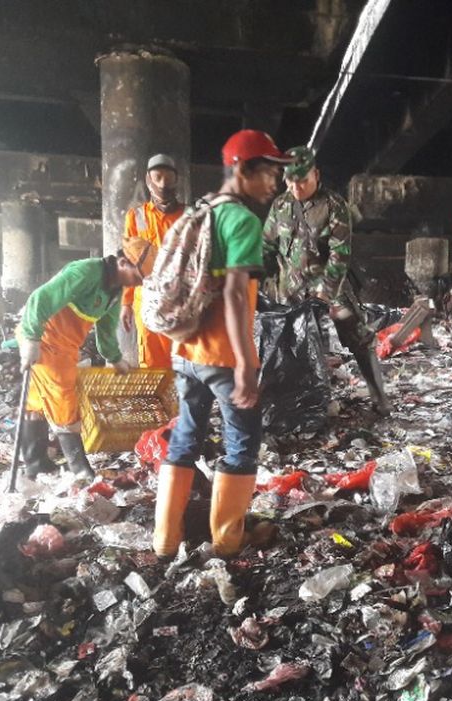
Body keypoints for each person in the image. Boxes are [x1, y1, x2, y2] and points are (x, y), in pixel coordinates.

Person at [152, 130, 291, 559]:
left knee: (185, 438)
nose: (275, 183)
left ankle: (165, 541)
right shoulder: (244, 220)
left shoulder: (203, 209)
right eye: (269, 172)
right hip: (220, 355)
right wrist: (247, 364)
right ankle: (228, 541)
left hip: (185, 351)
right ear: (243, 169)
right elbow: (235, 294)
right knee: (243, 443)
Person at [262, 146, 391, 414]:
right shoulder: (281, 205)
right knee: (296, 347)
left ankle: (380, 399)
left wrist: (324, 293)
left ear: (316, 175)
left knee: (358, 336)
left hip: (330, 289)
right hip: (291, 291)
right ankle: (309, 405)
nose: (296, 187)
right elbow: (268, 247)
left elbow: (339, 254)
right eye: (291, 181)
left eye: (303, 180)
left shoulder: (334, 206)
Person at [17, 239, 153, 480]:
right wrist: (31, 338)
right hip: (45, 340)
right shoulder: (86, 271)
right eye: (138, 274)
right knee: (63, 398)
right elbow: (41, 298)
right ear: (122, 262)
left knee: (37, 401)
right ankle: (78, 467)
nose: (140, 281)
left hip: (66, 347)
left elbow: (107, 328)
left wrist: (115, 358)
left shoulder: (115, 290)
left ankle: (36, 463)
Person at [121, 154, 186, 369]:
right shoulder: (135, 217)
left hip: (181, 300)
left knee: (184, 362)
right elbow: (129, 262)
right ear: (148, 180)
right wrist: (126, 302)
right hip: (147, 301)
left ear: (176, 181)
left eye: (168, 178)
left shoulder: (190, 216)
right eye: (157, 177)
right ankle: (160, 403)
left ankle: (180, 403)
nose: (163, 183)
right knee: (152, 363)